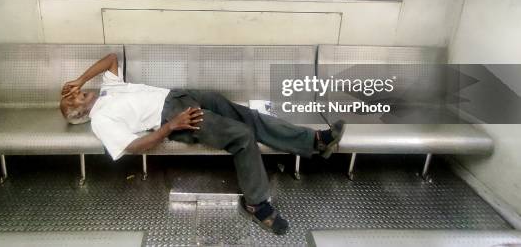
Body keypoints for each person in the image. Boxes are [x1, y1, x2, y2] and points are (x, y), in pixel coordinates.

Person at [60, 53, 344, 235]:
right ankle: (257, 204)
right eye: (74, 98)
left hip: (181, 95)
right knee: (242, 136)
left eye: (76, 92)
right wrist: (171, 126)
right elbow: (134, 146)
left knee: (248, 116)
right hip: (172, 116)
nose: (78, 93)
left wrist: (79, 78)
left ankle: (315, 141)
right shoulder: (101, 119)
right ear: (79, 113)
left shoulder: (109, 89)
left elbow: (110, 58)